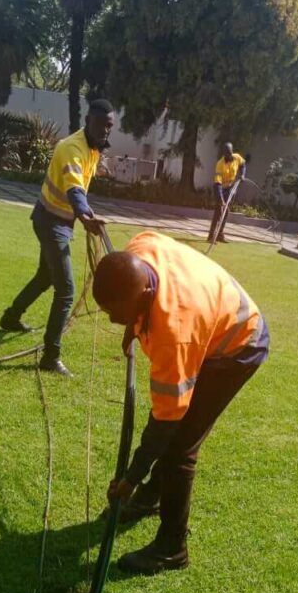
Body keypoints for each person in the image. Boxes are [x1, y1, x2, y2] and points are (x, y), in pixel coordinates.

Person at [92, 231, 269, 575]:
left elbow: (165, 419)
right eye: (109, 313)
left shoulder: (174, 333)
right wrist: (133, 323)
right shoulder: (140, 249)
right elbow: (138, 290)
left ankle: (172, 548)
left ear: (144, 295)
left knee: (180, 449)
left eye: (120, 314)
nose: (115, 321)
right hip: (211, 315)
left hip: (238, 346)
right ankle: (150, 498)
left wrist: (131, 477)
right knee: (174, 437)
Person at [0, 99, 116, 376]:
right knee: (66, 291)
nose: (105, 131)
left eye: (109, 126)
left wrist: (86, 213)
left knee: (45, 276)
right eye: (101, 125)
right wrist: (85, 217)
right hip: (51, 222)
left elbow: (81, 192)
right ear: (88, 120)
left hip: (59, 220)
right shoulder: (71, 148)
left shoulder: (93, 148)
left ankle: (10, 317)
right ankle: (51, 356)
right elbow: (75, 189)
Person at [208, 143, 247, 244]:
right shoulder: (219, 164)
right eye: (227, 153)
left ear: (232, 151)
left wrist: (242, 175)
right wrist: (220, 199)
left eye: (230, 153)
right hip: (219, 188)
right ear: (224, 153)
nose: (229, 155)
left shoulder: (237, 157)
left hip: (230, 188)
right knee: (218, 212)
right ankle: (211, 236)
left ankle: (220, 235)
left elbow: (243, 165)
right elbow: (218, 184)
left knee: (226, 212)